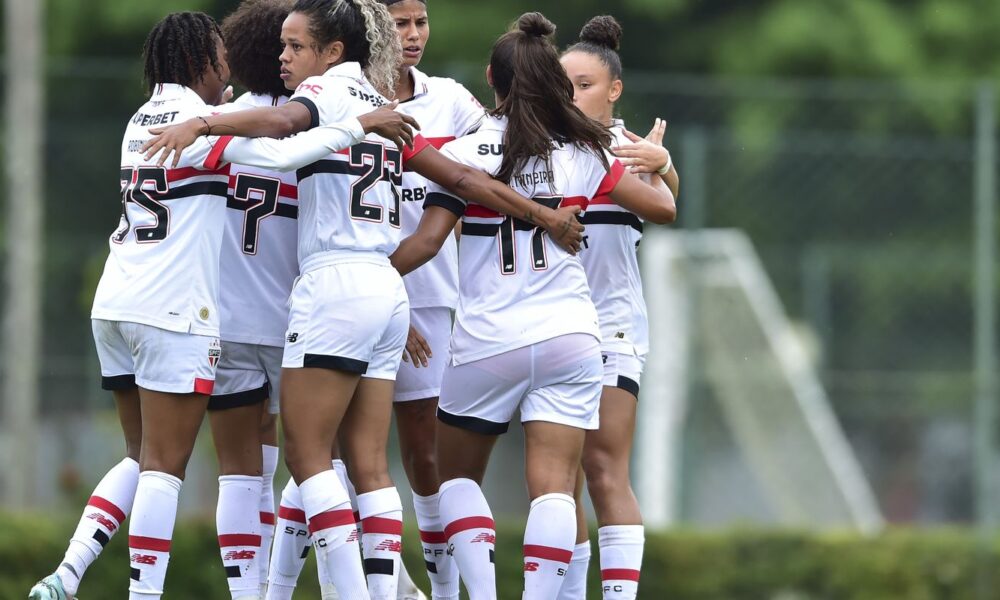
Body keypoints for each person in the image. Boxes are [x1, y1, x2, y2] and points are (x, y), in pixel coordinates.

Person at [141, 2, 585, 599]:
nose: (285, 58)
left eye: (296, 46)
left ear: (332, 52)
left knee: (306, 454)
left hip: (333, 285)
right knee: (371, 465)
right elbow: (462, 181)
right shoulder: (386, 113)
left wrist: (205, 124)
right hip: (386, 286)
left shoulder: (324, 95)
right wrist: (543, 216)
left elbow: (279, 125)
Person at [29, 10, 415, 600]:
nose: (229, 64)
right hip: (237, 310)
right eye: (220, 56)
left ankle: (75, 571)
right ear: (202, 63)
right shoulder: (229, 125)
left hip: (133, 300)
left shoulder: (144, 118)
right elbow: (287, 154)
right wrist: (357, 124)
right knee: (303, 461)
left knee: (188, 464)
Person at [389, 13, 676, 600]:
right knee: (553, 487)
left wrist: (368, 280)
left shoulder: (465, 150)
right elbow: (660, 207)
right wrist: (662, 163)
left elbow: (425, 244)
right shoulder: (586, 152)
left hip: (489, 339)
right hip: (573, 337)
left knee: (454, 478)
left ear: (491, 77)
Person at [558, 16, 680, 600]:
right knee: (556, 481)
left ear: (614, 90)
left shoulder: (631, 151)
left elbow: (665, 199)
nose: (573, 96)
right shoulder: (541, 144)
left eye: (585, 85)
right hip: (549, 327)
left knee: (604, 469)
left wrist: (665, 166)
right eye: (565, 85)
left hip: (612, 327)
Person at [381, 1, 486, 598]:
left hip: (430, 302)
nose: (414, 35)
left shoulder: (449, 99)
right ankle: (386, 586)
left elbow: (503, 150)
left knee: (426, 456)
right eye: (400, 24)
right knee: (338, 457)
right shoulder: (341, 98)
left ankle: (442, 591)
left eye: (421, 21)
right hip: (353, 302)